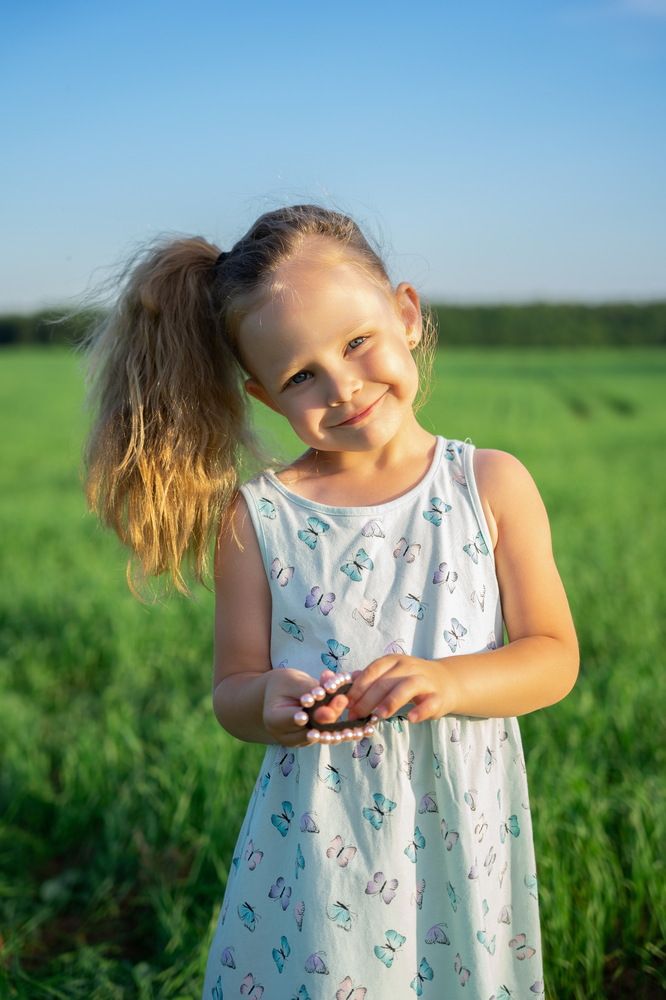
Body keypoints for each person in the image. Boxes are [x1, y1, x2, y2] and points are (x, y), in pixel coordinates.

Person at [82, 204, 579, 999]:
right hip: (321, 845)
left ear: (406, 315)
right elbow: (233, 691)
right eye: (300, 375)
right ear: (265, 395)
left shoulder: (489, 484)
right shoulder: (260, 519)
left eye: (357, 343)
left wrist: (451, 681)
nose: (343, 387)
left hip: (463, 832)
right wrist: (267, 703)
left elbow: (553, 658)